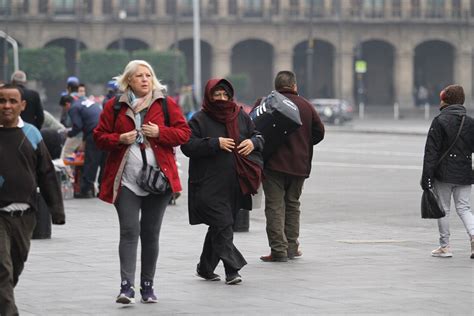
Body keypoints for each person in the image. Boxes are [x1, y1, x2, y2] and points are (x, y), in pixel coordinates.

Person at [94, 60, 190, 304]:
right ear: (129, 80)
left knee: (150, 234)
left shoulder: (166, 104)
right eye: (139, 76)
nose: (145, 79)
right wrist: (119, 138)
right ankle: (127, 287)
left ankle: (148, 285)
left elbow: (184, 134)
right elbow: (98, 138)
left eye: (148, 75)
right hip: (126, 181)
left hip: (158, 181)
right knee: (129, 231)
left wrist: (160, 133)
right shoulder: (114, 107)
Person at [181, 78, 264, 285]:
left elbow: (259, 136)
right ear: (209, 96)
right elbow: (187, 146)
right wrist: (214, 143)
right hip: (207, 185)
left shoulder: (241, 116)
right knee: (224, 224)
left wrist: (252, 142)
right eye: (217, 95)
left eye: (225, 95)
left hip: (236, 183)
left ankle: (205, 268)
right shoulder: (199, 119)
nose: (221, 99)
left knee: (220, 227)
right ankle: (232, 270)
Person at [0, 84, 65, 315]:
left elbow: (46, 173)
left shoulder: (32, 133)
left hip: (25, 216)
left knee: (15, 267)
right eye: (2, 101)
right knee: (3, 268)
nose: (6, 106)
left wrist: (57, 210)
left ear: (22, 105)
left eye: (12, 101)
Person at [259, 70, 325, 262]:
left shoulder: (267, 103)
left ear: (276, 87)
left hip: (273, 165)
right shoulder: (306, 106)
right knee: (293, 205)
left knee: (274, 207)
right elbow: (319, 133)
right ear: (295, 86)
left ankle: (278, 250)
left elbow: (254, 126)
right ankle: (292, 247)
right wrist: (303, 143)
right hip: (299, 165)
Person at [421, 84, 474, 259]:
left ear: (446, 99)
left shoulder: (440, 121)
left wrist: (426, 178)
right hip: (465, 172)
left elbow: (431, 152)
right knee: (464, 208)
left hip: (443, 173)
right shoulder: (470, 122)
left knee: (443, 209)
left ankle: (445, 247)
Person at [67, 90, 104, 198]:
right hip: (105, 131)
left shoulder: (73, 107)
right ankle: (103, 189)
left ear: (67, 104)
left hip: (94, 134)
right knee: (104, 162)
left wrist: (69, 134)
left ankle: (86, 190)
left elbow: (78, 126)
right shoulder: (86, 102)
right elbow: (89, 122)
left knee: (91, 162)